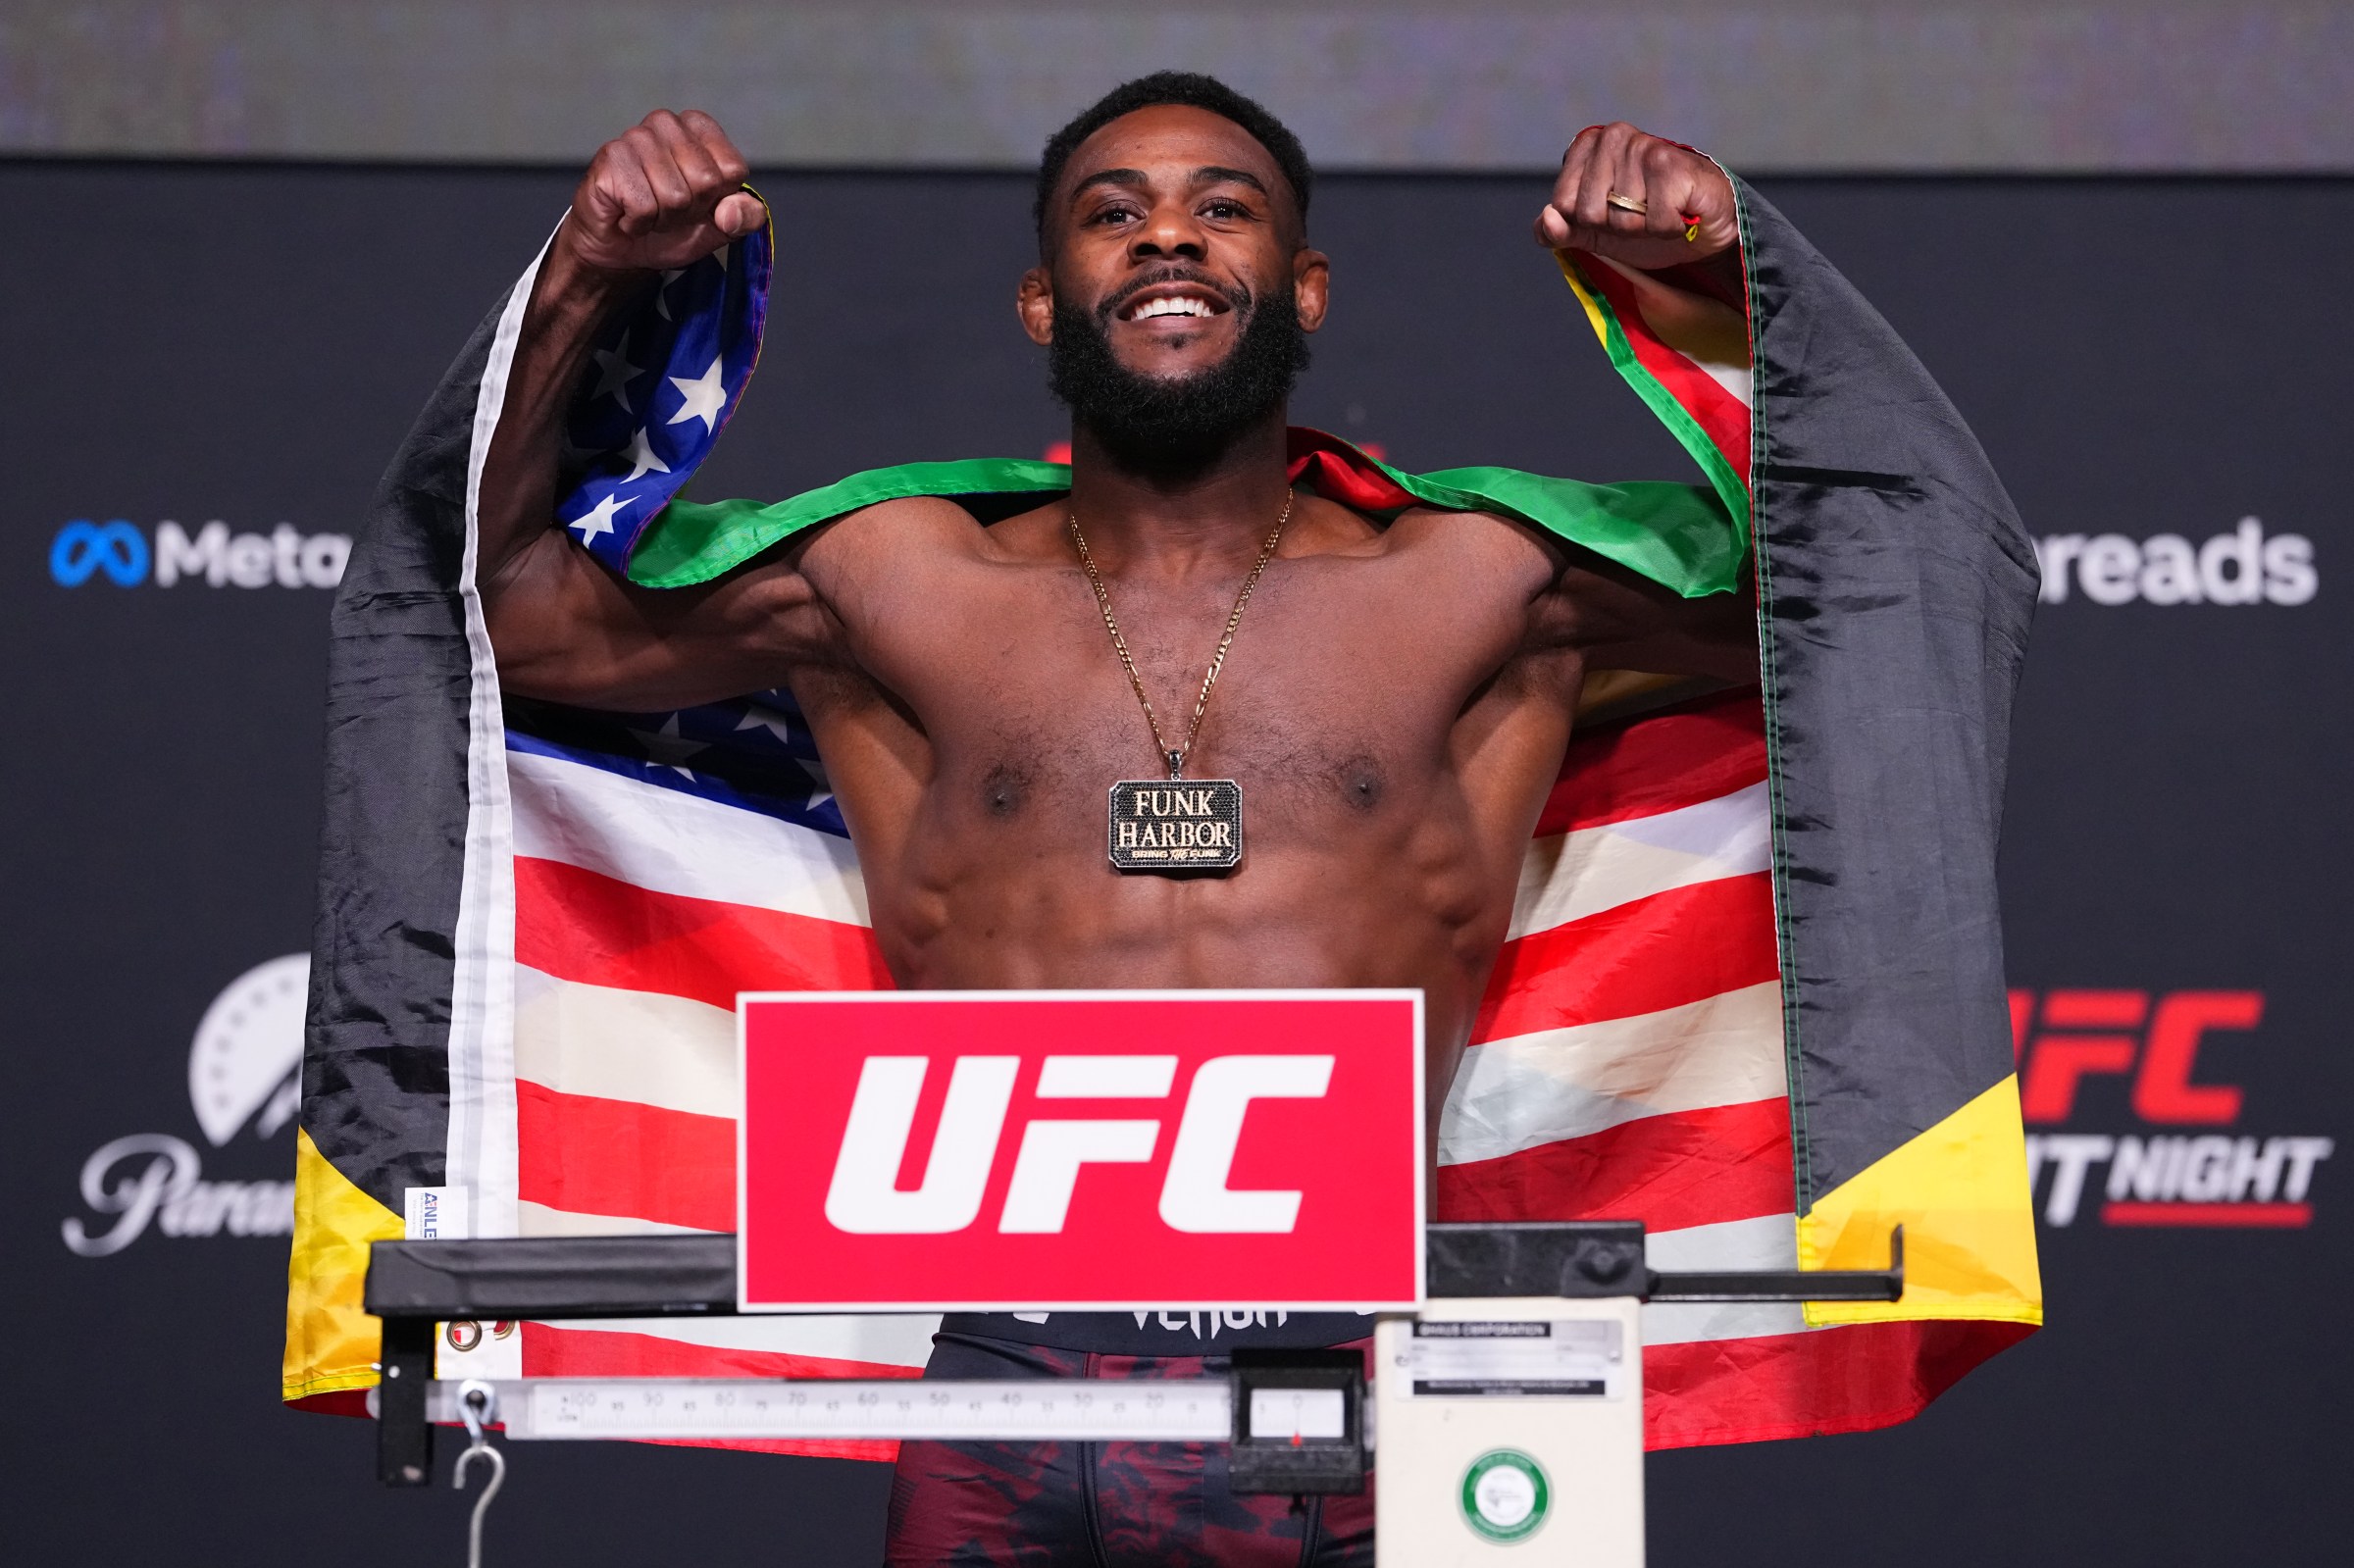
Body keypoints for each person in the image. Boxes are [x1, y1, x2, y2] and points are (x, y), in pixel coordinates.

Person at [289, 70, 2036, 1567]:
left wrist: (1723, 271)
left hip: (1383, 1351)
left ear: (1308, 285)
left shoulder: (1484, 585)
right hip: (997, 1359)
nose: (1171, 237)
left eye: (1227, 207)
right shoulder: (891, 579)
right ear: (1048, 301)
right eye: (1114, 214)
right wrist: (596, 271)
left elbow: (1881, 581)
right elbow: (486, 604)